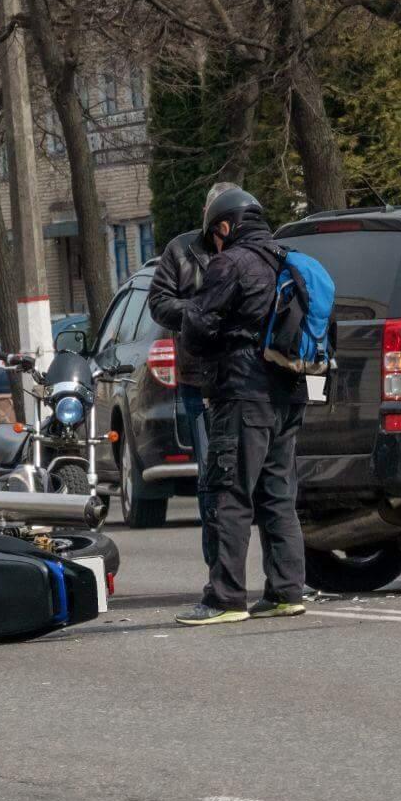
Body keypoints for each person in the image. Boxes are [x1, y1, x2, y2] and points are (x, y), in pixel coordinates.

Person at [175, 186, 307, 625]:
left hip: (243, 394)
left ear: (226, 225)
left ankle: (225, 598)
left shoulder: (230, 263)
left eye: (216, 233)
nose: (215, 242)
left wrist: (204, 335)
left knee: (229, 494)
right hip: (289, 393)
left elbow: (197, 323)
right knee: (278, 495)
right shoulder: (288, 261)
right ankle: (287, 591)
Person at [148, 182, 240, 566]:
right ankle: (217, 568)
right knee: (211, 473)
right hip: (198, 379)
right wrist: (201, 311)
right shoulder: (181, 250)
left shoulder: (249, 248)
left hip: (244, 376)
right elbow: (158, 302)